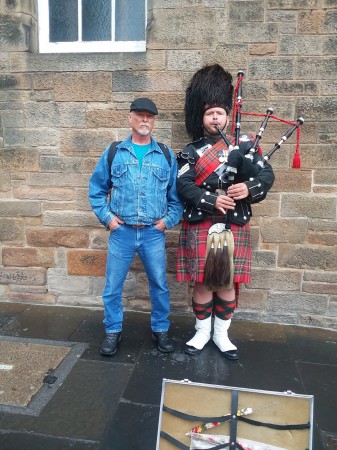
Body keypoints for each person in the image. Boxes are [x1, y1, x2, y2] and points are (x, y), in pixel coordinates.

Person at [176, 64, 275, 360]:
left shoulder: (246, 146)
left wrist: (248, 188)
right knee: (204, 281)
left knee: (229, 280)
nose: (215, 116)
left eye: (219, 111)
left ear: (229, 115)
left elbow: (266, 176)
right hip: (201, 222)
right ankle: (202, 332)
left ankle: (221, 335)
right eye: (208, 112)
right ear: (201, 117)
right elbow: (183, 186)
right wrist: (211, 200)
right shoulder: (190, 151)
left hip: (233, 224)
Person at [89, 98, 183, 356]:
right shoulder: (114, 152)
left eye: (150, 117)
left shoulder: (165, 155)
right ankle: (112, 331)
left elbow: (176, 197)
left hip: (153, 233)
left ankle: (160, 329)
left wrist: (167, 222)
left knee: (159, 285)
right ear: (130, 118)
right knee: (112, 286)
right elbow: (97, 191)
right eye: (140, 115)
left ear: (154, 121)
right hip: (123, 233)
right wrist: (109, 219)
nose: (145, 120)